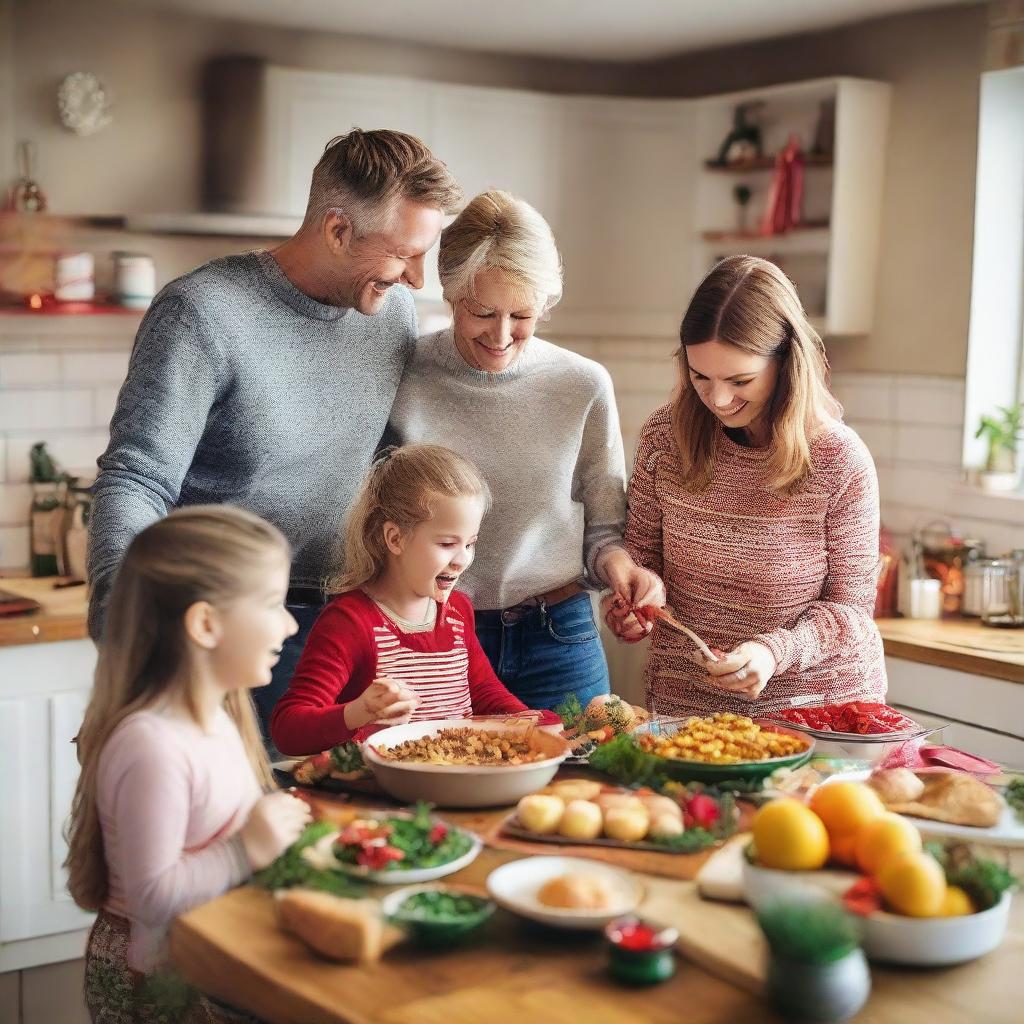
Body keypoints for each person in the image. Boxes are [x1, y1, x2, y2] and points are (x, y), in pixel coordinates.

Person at [87, 129, 462, 738]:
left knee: (338, 826)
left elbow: (391, 461)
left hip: (351, 627)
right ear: (338, 231)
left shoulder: (389, 312)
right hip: (228, 629)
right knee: (227, 826)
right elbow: (136, 479)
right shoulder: (203, 312)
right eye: (403, 253)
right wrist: (125, 638)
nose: (419, 278)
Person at [389, 191, 664, 712]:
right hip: (432, 636)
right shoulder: (405, 375)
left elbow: (604, 531)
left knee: (583, 788)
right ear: (451, 294)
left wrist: (623, 575)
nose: (501, 335)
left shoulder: (582, 385)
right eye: (483, 312)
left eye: (521, 314)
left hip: (557, 640)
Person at [605, 255, 887, 717]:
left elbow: (851, 613)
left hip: (814, 711)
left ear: (785, 364)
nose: (717, 399)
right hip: (686, 712)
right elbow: (641, 559)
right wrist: (634, 604)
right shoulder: (665, 438)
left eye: (740, 380)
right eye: (700, 377)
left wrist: (771, 652)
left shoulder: (839, 460)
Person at [66, 506, 312, 1023]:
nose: (290, 624)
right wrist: (249, 849)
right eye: (272, 604)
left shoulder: (220, 718)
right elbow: (151, 896)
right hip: (157, 984)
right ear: (204, 623)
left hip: (204, 961)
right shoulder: (151, 746)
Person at [271, 445, 560, 756]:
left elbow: (485, 692)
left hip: (459, 785)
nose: (462, 559)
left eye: (470, 543)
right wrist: (359, 712)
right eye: (447, 543)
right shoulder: (351, 621)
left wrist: (536, 724)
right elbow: (288, 729)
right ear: (395, 538)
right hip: (387, 798)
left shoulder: (457, 611)